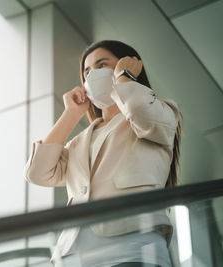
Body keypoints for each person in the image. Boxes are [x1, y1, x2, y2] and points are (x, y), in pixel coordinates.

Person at [23, 40, 183, 267]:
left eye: (101, 65)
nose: (92, 75)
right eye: (87, 71)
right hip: (74, 258)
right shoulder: (80, 142)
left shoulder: (158, 114)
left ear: (125, 66)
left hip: (134, 250)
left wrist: (125, 78)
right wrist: (71, 113)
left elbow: (139, 109)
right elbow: (37, 173)